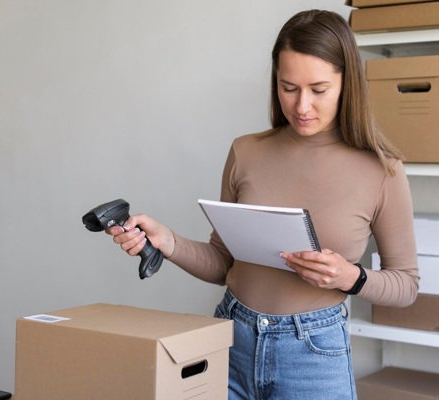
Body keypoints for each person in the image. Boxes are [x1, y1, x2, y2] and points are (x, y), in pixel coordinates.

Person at [106, 9, 419, 400]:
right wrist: (166, 240)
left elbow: (406, 285)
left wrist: (350, 277)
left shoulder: (382, 170)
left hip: (314, 356)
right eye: (289, 87)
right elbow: (223, 264)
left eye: (318, 90)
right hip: (232, 340)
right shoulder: (246, 152)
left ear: (347, 84)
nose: (302, 106)